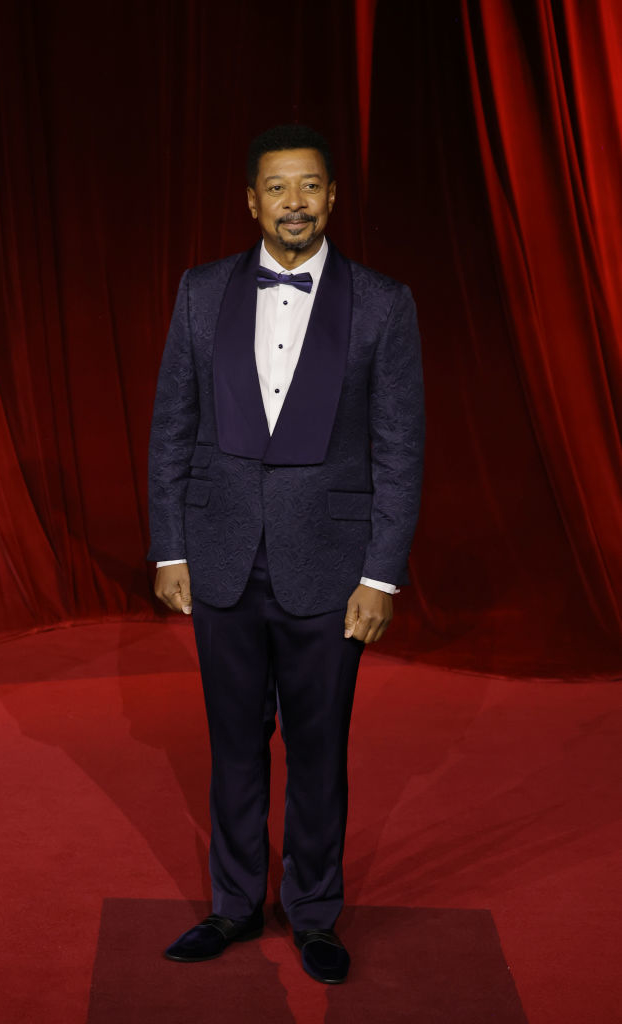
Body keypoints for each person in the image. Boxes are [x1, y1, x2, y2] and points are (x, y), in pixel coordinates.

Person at [148, 124, 424, 984]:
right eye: (277, 188)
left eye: (309, 187)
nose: (294, 203)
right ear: (251, 200)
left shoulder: (383, 302)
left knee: (317, 749)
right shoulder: (199, 292)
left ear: (332, 197)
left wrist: (380, 573)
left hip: (331, 568)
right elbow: (171, 431)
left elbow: (399, 449)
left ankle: (312, 914)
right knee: (232, 744)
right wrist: (169, 549)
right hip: (220, 556)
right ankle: (233, 905)